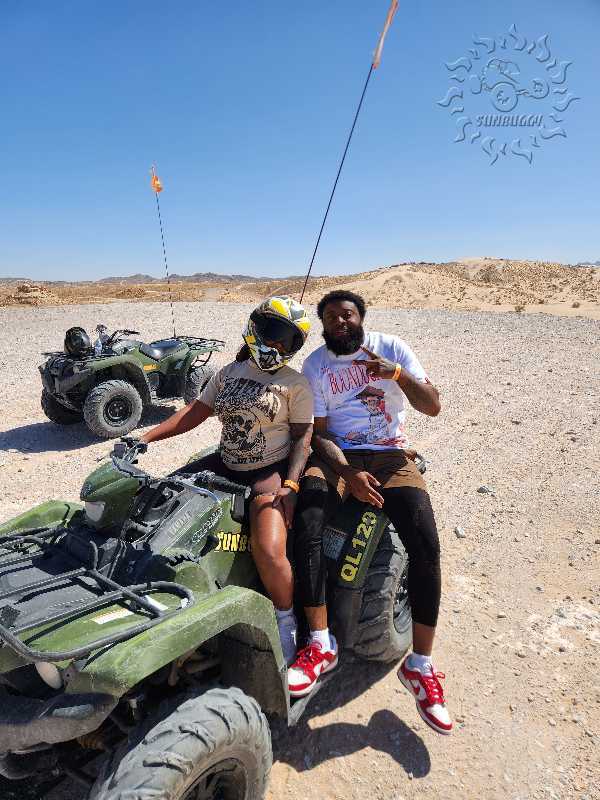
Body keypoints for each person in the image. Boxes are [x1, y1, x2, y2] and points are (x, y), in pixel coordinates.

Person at [288, 289, 452, 735]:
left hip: (390, 455)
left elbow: (432, 406)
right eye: (331, 317)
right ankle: (320, 642)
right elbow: (320, 434)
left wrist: (395, 374)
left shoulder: (392, 347)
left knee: (425, 545)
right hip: (338, 457)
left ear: (361, 318)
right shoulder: (316, 365)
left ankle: (420, 665)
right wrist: (347, 472)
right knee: (309, 520)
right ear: (323, 326)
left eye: (347, 314)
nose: (340, 322)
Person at [139, 296, 313, 665]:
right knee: (160, 498)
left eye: (288, 341)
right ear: (255, 328)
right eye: (273, 332)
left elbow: (302, 438)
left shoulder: (295, 384)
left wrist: (291, 484)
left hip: (267, 471)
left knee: (269, 550)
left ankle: (285, 619)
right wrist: (145, 438)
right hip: (224, 462)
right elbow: (194, 413)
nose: (277, 345)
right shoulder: (229, 373)